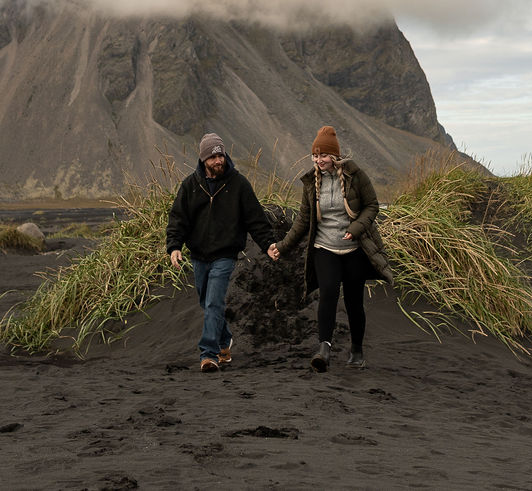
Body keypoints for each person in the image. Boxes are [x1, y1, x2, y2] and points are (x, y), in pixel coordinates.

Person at [267, 126, 393, 372]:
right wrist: (282, 246)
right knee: (328, 294)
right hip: (324, 248)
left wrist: (355, 228)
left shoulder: (356, 176)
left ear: (334, 155)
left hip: (354, 249)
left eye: (323, 155)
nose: (318, 160)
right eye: (315, 156)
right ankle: (323, 349)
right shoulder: (311, 183)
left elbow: (372, 206)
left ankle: (356, 351)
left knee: (355, 302)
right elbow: (303, 221)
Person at [167, 132, 276, 373]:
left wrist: (268, 244)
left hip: (225, 255)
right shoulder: (190, 185)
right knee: (207, 303)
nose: (219, 160)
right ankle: (225, 342)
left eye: (221, 155)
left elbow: (255, 219)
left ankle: (209, 354)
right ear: (203, 159)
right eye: (213, 156)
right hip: (198, 255)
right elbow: (178, 219)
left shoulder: (238, 184)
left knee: (215, 302)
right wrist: (174, 246)